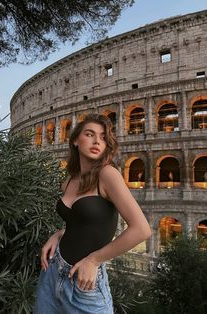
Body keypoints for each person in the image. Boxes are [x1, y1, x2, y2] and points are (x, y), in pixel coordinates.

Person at [34, 113, 151, 314]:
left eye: (104, 137)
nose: (98, 141)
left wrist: (94, 260)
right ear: (75, 141)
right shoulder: (69, 181)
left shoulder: (107, 174)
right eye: (90, 134)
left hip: (84, 283)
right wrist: (60, 234)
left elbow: (141, 230)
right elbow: (80, 222)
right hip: (52, 272)